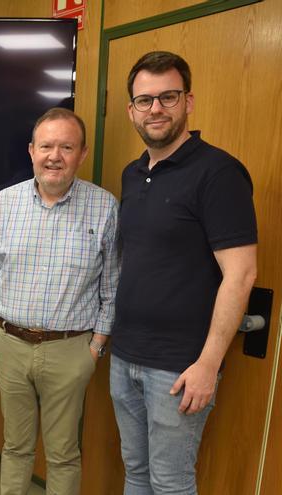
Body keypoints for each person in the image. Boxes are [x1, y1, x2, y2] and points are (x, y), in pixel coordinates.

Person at [110, 51, 257, 494]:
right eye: (144, 100)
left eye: (167, 97)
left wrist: (208, 364)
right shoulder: (133, 174)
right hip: (126, 356)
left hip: (179, 368)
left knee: (171, 483)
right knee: (135, 472)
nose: (155, 109)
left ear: (188, 102)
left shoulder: (219, 173)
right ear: (131, 110)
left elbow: (242, 274)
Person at [0, 107, 119, 495]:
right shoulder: (3, 203)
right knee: (15, 447)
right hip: (8, 345)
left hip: (71, 350)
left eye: (66, 147)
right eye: (47, 146)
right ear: (31, 150)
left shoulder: (105, 208)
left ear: (82, 154)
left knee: (63, 453)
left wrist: (95, 349)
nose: (55, 156)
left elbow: (113, 287)